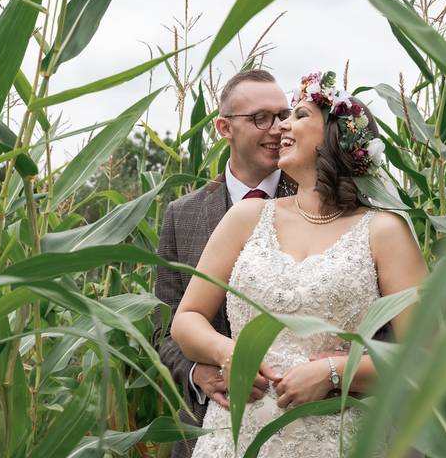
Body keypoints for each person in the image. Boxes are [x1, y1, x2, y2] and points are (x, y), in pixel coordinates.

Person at [171, 70, 427, 457]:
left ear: (336, 135)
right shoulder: (247, 217)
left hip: (337, 437)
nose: (282, 127)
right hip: (236, 435)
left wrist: (334, 373)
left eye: (298, 115)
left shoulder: (384, 231)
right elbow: (185, 317)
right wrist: (228, 353)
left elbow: (425, 356)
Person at [154, 69, 298, 458]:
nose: (277, 128)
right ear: (223, 128)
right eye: (259, 118)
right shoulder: (181, 216)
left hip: (300, 420)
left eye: (283, 115)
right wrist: (198, 374)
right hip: (210, 426)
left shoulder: (317, 201)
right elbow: (162, 331)